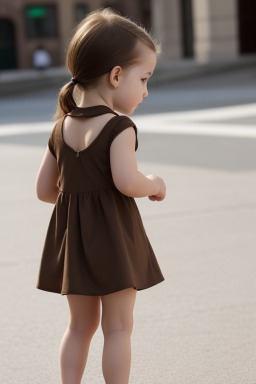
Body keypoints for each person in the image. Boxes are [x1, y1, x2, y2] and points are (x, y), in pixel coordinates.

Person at [35, 7, 166, 384]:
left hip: (74, 242)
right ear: (115, 75)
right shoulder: (119, 127)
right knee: (119, 328)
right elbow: (127, 181)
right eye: (143, 79)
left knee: (79, 326)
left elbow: (45, 191)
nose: (145, 91)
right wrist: (154, 183)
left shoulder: (62, 127)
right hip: (113, 240)